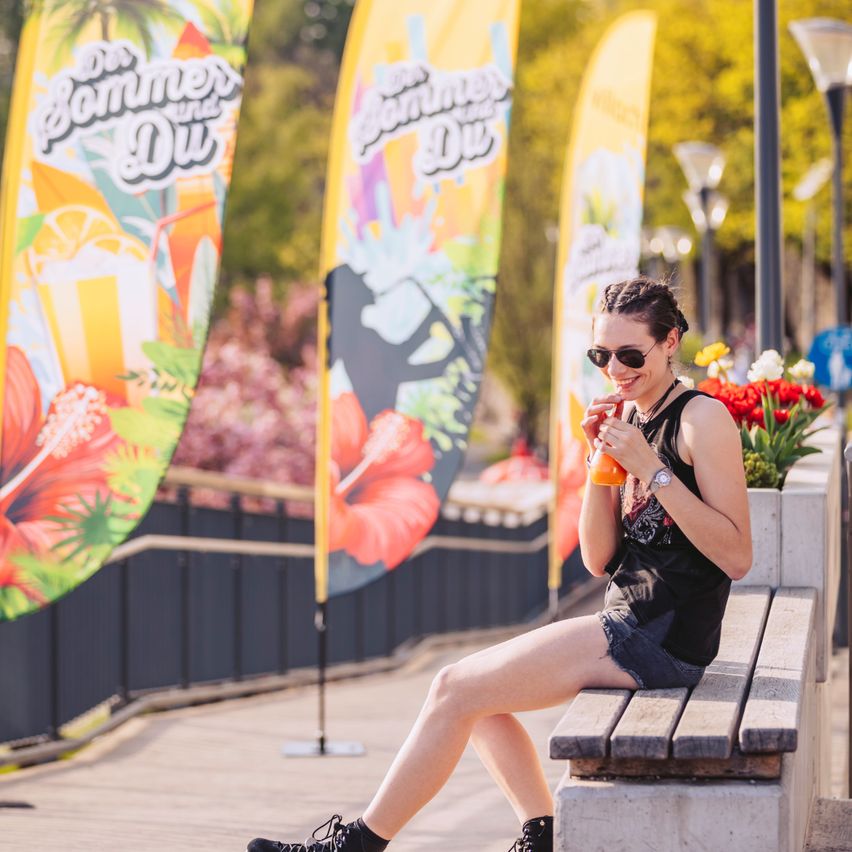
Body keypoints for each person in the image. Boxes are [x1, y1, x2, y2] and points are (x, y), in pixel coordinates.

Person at [246, 276, 753, 852]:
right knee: (472, 692)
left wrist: (653, 471)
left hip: (662, 635)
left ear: (671, 342)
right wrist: (598, 462)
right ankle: (540, 834)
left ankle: (360, 844)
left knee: (452, 688)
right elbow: (597, 558)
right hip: (629, 621)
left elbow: (737, 555)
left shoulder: (700, 420)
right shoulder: (629, 420)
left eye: (631, 354)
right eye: (601, 355)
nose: (615, 369)